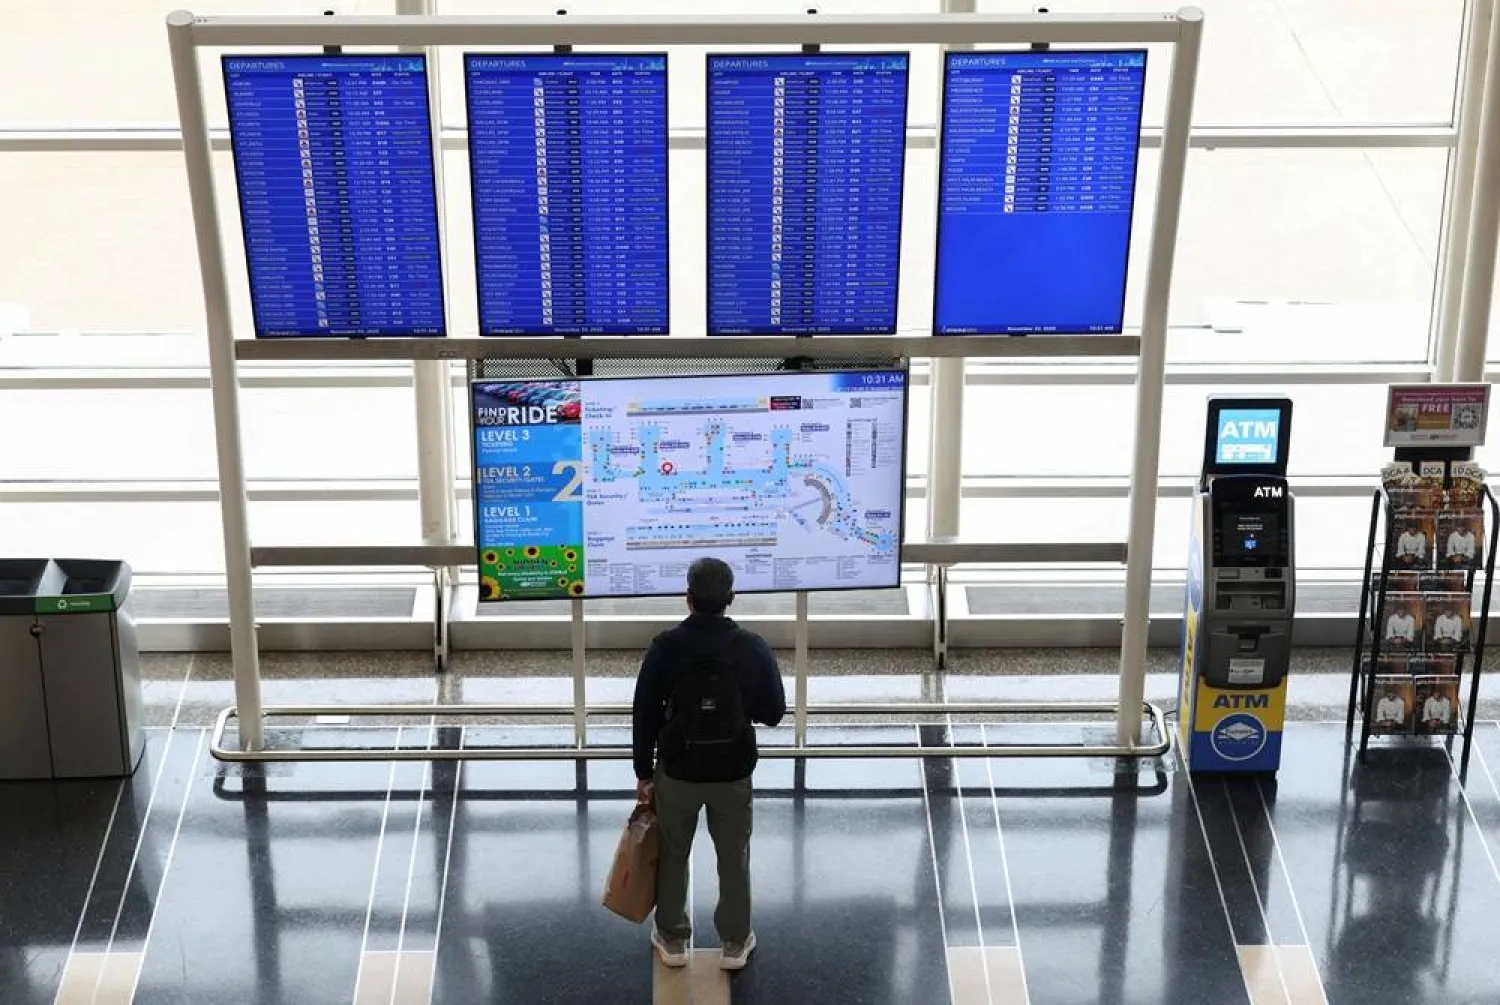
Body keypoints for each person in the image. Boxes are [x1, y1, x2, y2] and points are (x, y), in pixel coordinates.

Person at [632, 557, 786, 972]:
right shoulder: (751, 647)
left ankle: (673, 938)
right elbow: (774, 711)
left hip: (678, 770)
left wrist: (643, 772)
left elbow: (644, 712)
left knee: (673, 851)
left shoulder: (666, 647)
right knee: (733, 855)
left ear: (689, 599)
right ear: (730, 599)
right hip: (732, 770)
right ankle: (735, 942)